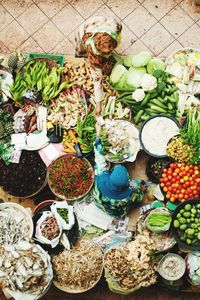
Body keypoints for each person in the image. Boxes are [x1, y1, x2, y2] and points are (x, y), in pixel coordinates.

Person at [92, 119, 146, 218]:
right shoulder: (128, 194)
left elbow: (98, 153)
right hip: (119, 209)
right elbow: (137, 188)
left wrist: (98, 133)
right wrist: (142, 185)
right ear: (127, 183)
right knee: (140, 191)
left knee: (99, 165)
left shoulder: (101, 176)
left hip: (101, 202)